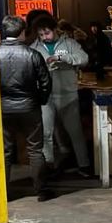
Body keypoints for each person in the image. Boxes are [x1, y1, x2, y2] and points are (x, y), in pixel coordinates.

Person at [0, 15, 53, 201]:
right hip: (30, 107)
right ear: (22, 32)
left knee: (4, 150)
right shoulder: (32, 54)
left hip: (3, 109)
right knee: (35, 149)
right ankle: (41, 190)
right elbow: (46, 83)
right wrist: (41, 100)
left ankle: (3, 192)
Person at [29, 16, 91, 177]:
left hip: (68, 95)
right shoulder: (34, 47)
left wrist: (63, 58)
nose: (44, 37)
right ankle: (48, 165)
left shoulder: (69, 44)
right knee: (46, 133)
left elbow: (84, 59)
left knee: (75, 132)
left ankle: (84, 165)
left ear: (55, 29)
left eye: (47, 33)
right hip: (46, 97)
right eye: (41, 35)